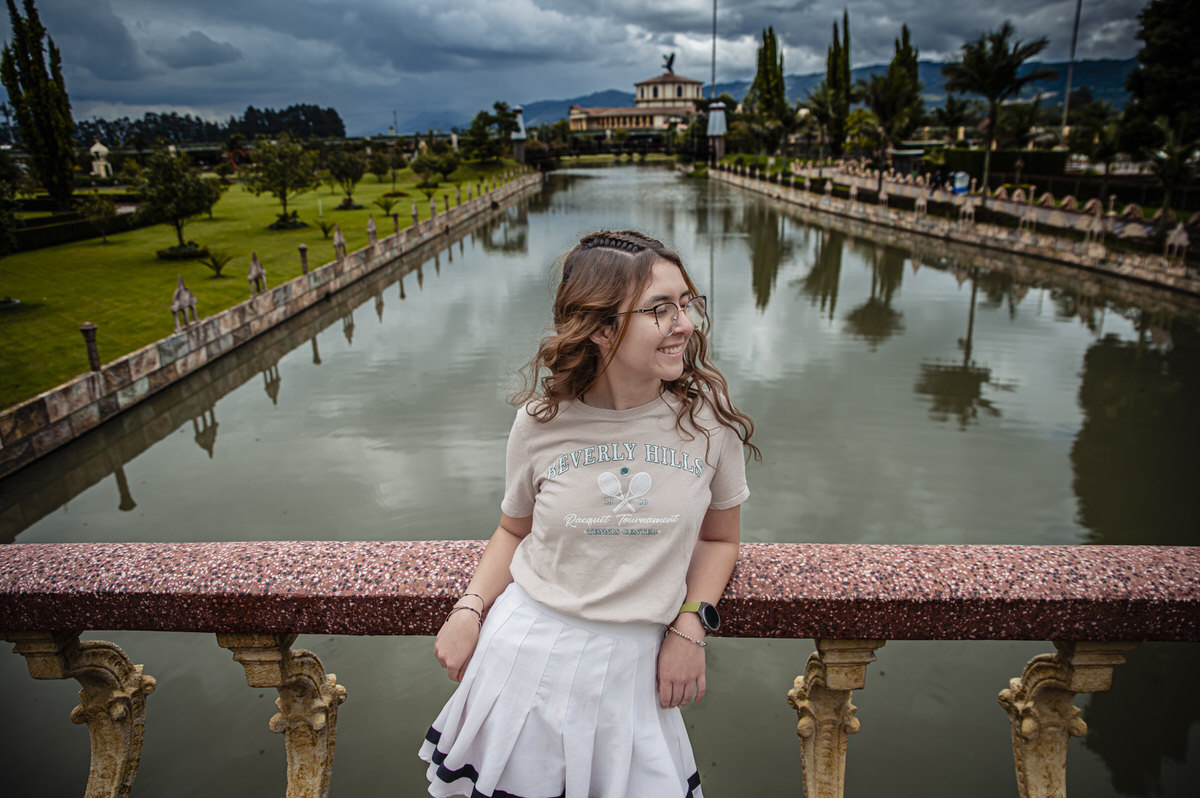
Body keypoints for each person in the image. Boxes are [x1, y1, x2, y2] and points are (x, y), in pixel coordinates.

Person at [419, 230, 759, 798]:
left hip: (635, 675)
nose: (686, 323)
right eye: (660, 309)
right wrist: (469, 609)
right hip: (524, 660)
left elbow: (720, 541)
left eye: (687, 303)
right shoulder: (540, 422)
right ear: (601, 328)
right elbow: (513, 529)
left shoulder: (708, 425)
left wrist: (690, 625)